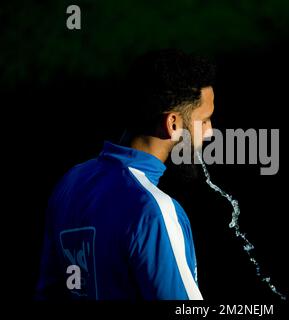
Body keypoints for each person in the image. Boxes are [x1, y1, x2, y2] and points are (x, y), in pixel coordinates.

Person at [36, 49, 215, 300]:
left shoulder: (70, 182)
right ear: (173, 124)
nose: (209, 133)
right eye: (205, 120)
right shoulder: (154, 212)